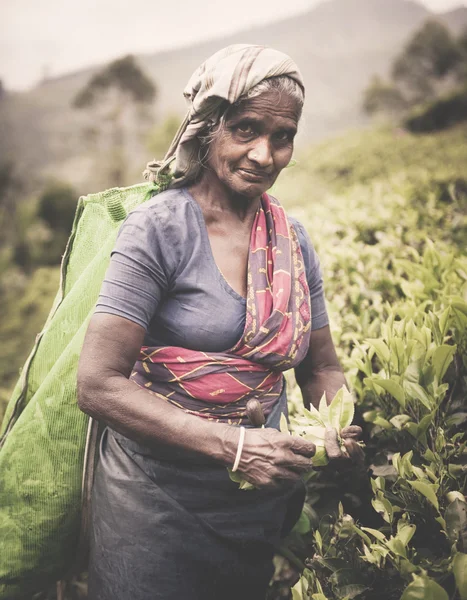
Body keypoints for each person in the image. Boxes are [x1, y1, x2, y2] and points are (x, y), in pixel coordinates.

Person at [77, 44, 362, 600]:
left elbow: (322, 366)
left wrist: (337, 422)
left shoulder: (292, 239)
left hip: (256, 504)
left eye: (283, 137)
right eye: (245, 128)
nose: (264, 153)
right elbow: (97, 384)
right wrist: (232, 447)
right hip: (156, 507)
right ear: (209, 128)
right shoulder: (158, 230)